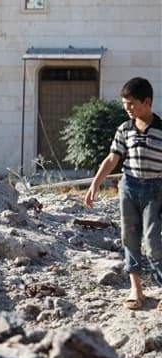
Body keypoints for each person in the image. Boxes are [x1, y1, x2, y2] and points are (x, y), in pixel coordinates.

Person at [85, 77, 162, 310]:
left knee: (152, 239)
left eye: (131, 103)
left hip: (155, 190)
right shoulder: (124, 129)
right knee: (129, 237)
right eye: (124, 104)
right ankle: (136, 290)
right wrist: (94, 184)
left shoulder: (161, 129)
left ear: (146, 102)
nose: (127, 108)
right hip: (129, 187)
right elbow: (112, 159)